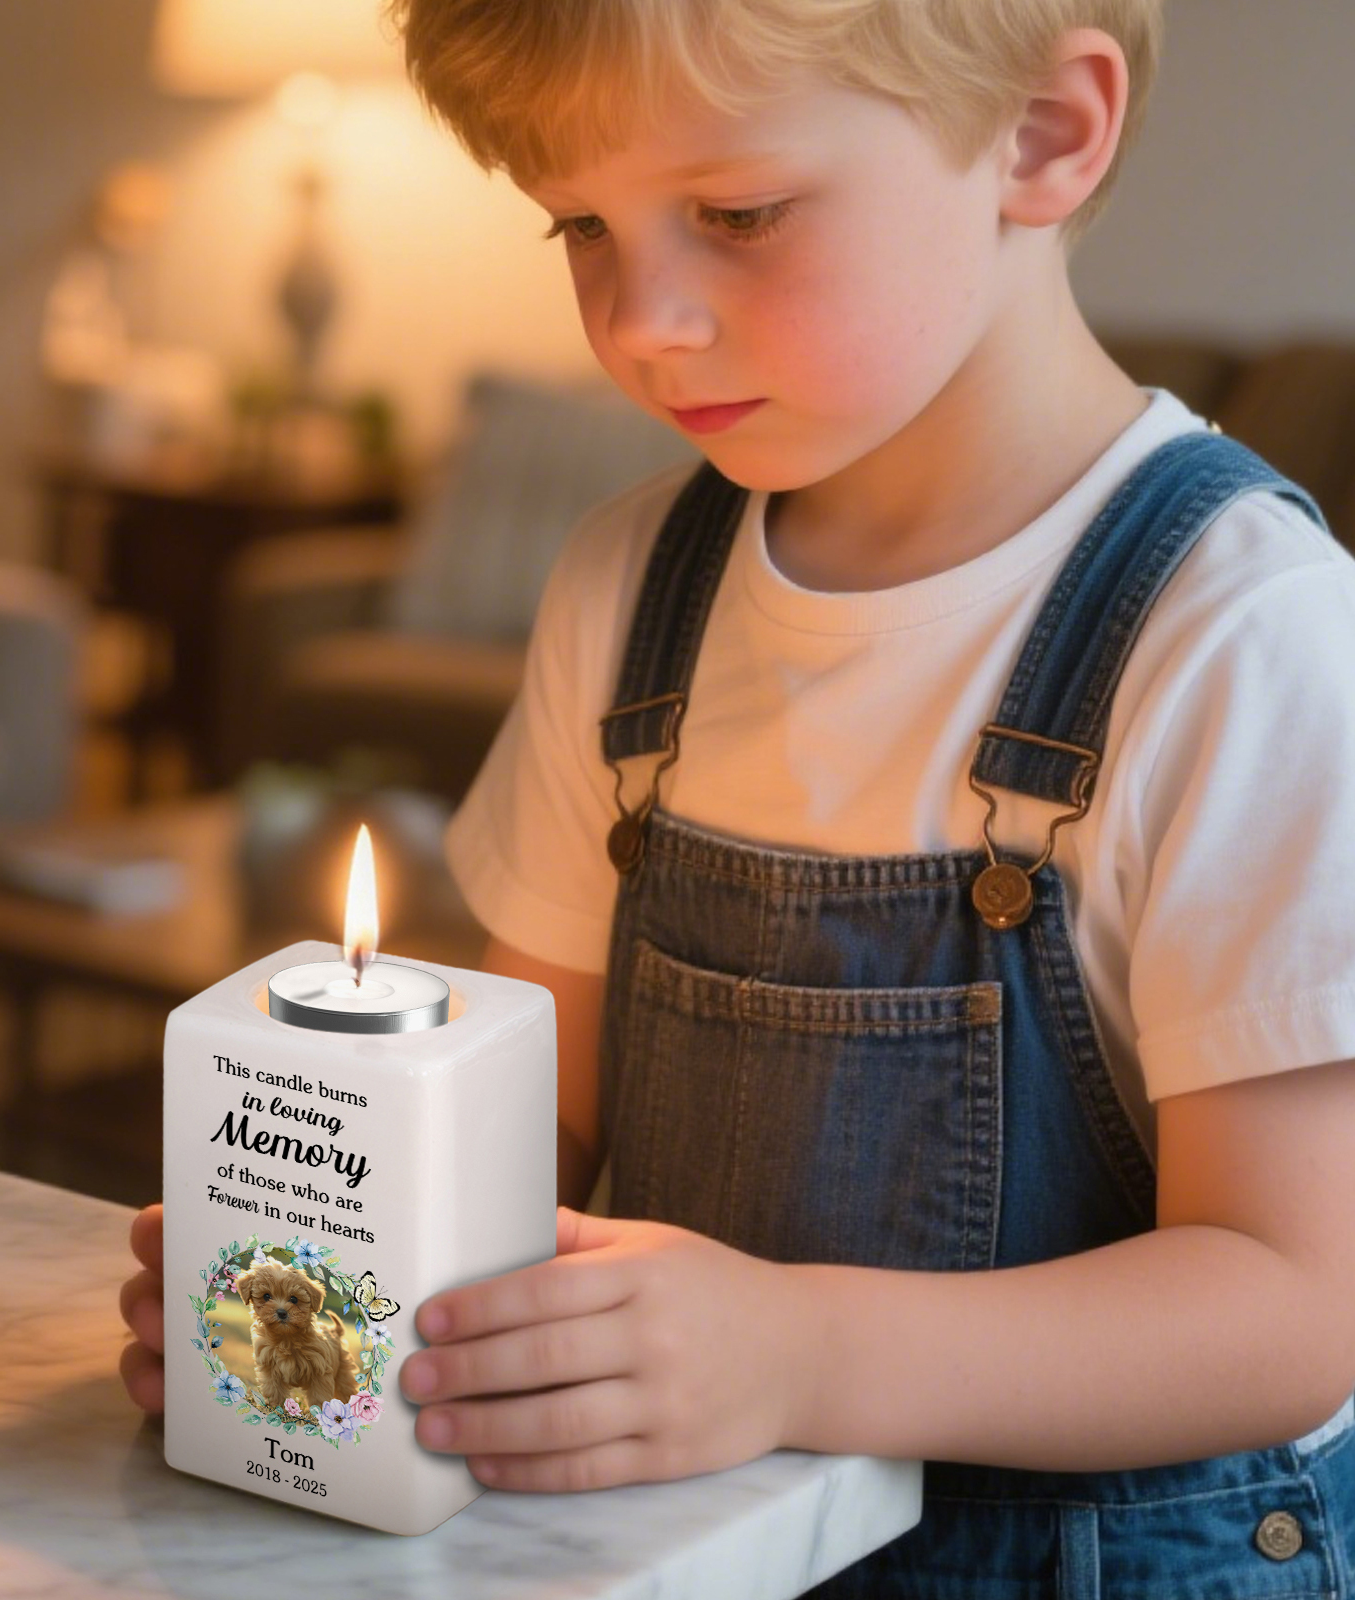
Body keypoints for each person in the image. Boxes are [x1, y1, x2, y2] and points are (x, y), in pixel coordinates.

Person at [121, 0, 1355, 1589]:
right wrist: (326, 1289)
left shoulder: (1245, 635)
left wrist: (798, 1352)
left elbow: (1293, 1307)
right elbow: (537, 1113)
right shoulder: (629, 586)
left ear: (1043, 132)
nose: (641, 322)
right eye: (581, 225)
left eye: (738, 214)